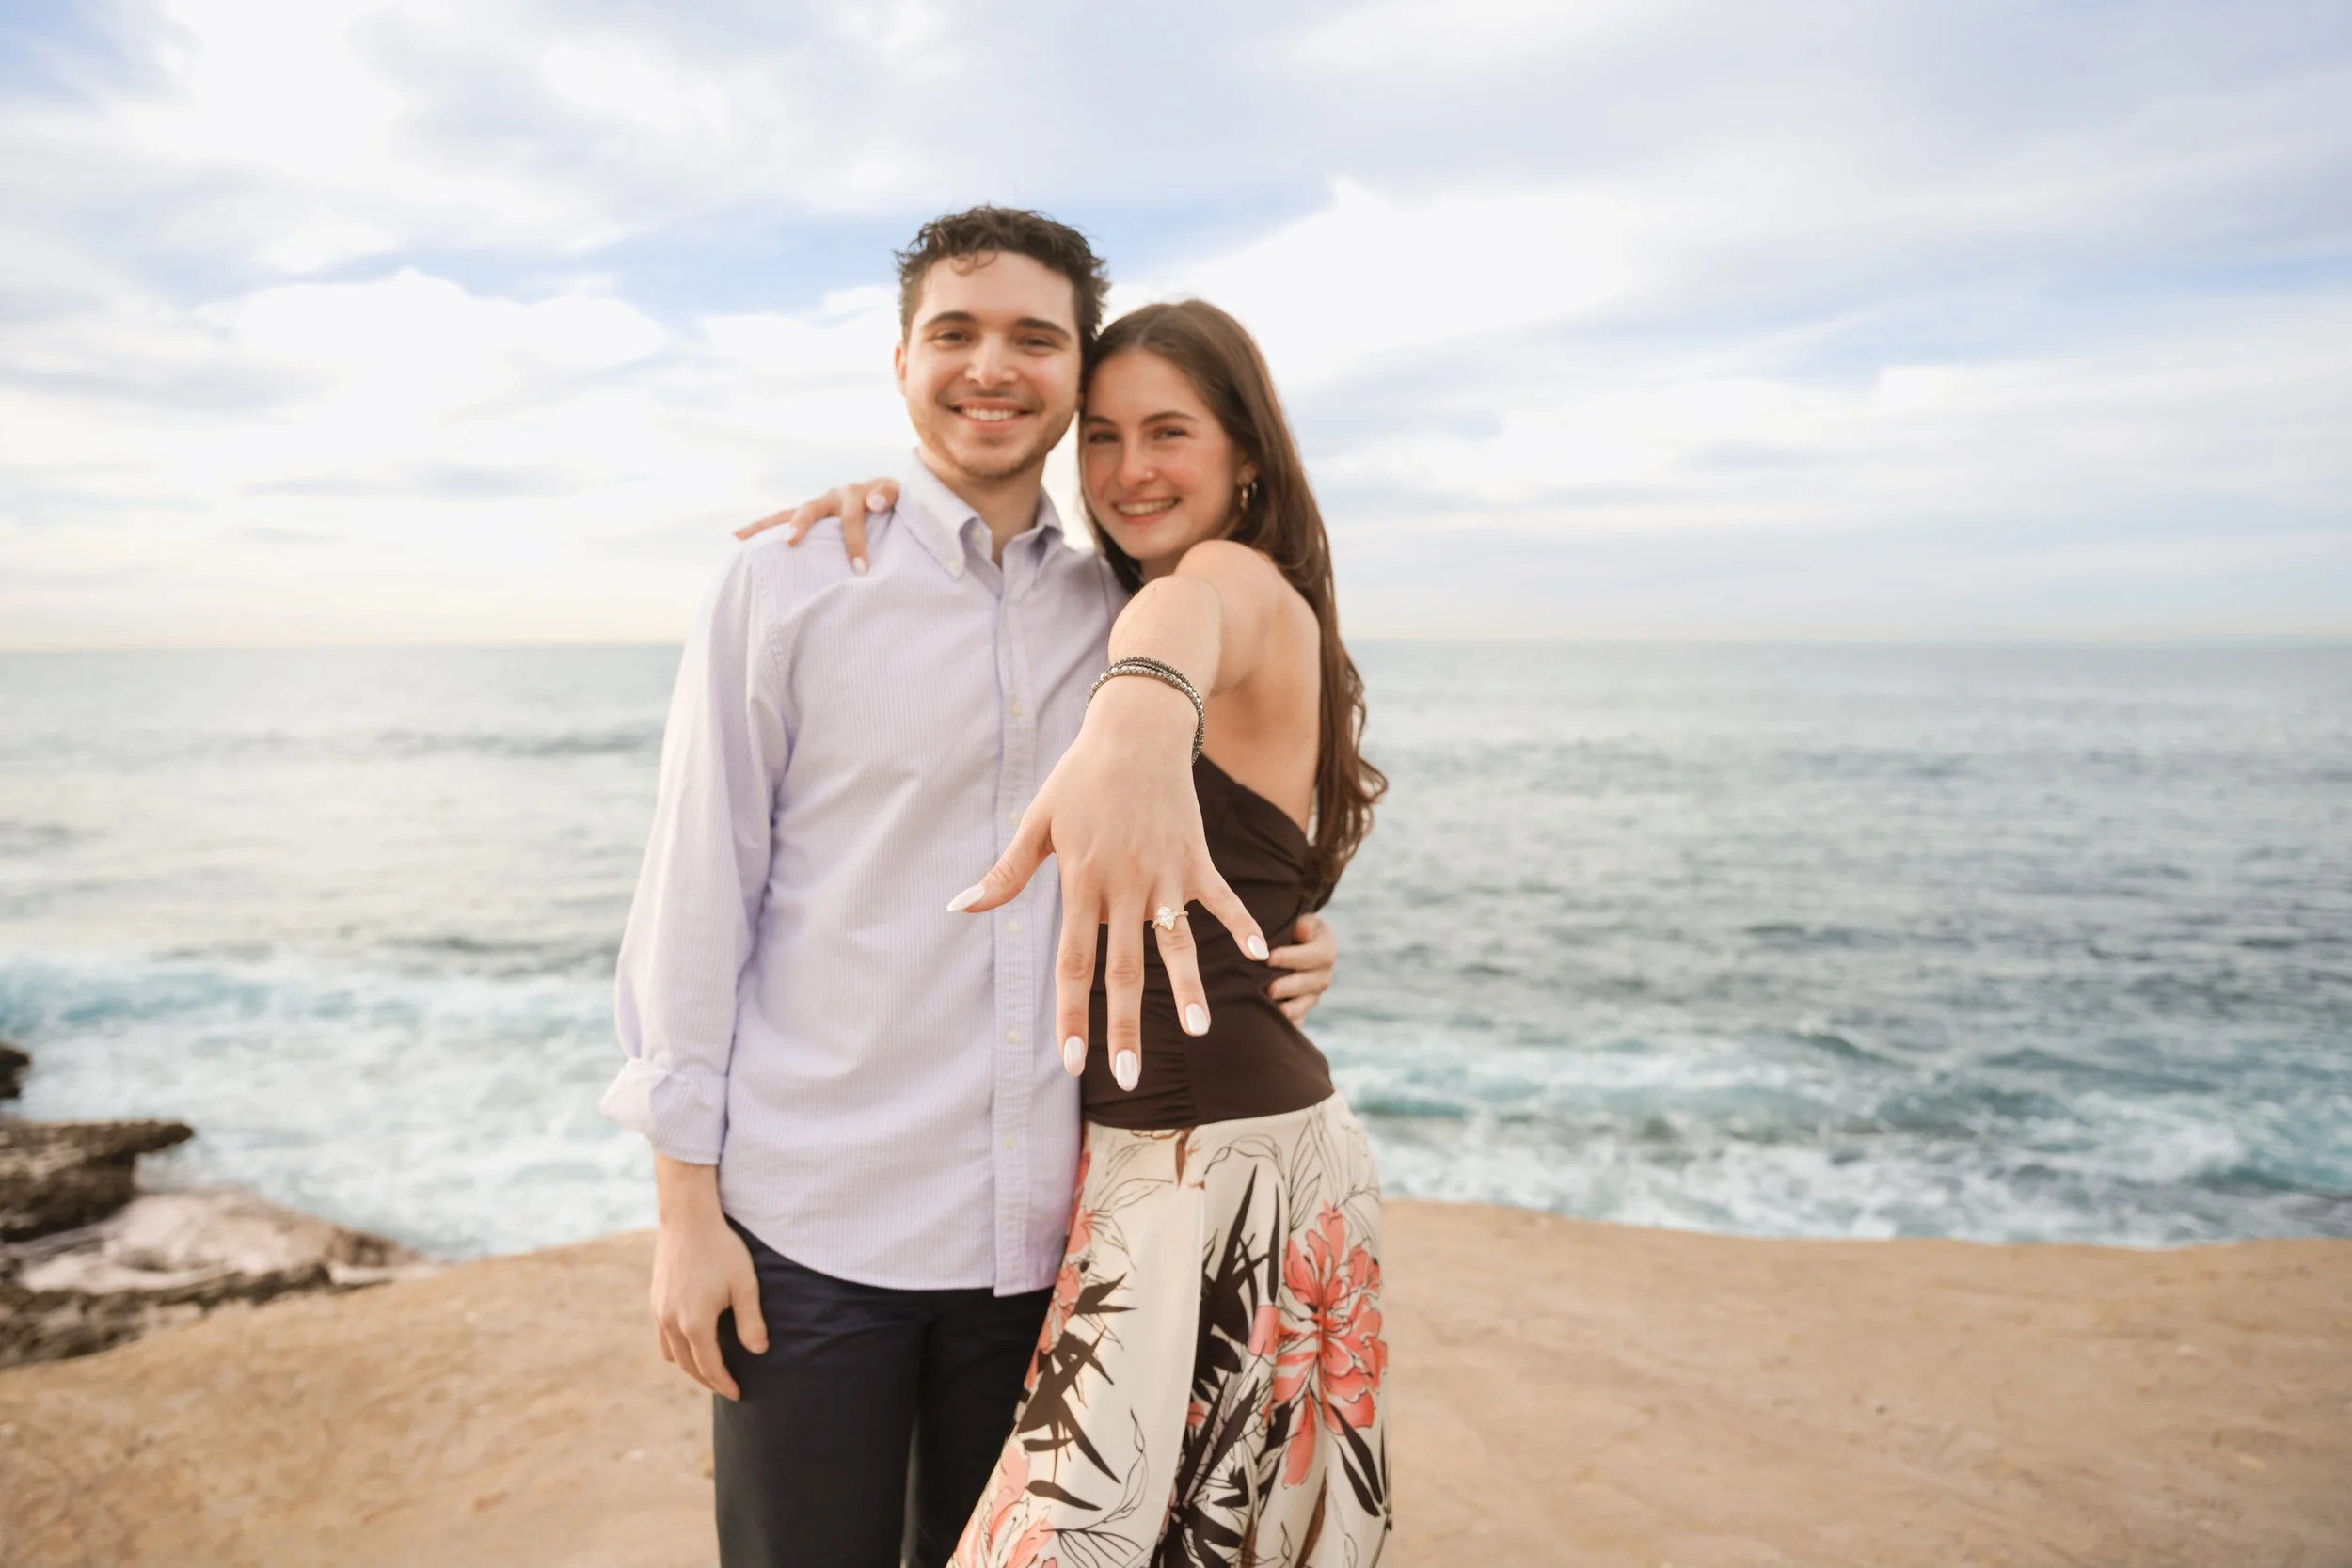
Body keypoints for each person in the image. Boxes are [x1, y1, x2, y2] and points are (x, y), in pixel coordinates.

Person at [601, 207, 1338, 1568]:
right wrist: (682, 1215)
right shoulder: (784, 582)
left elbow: (1225, 804)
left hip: (1046, 1244)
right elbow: (696, 901)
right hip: (814, 1230)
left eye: (1034, 340)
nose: (992, 366)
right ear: (903, 362)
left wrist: (1293, 937)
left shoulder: (1121, 606)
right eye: (956, 332)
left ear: (1072, 375)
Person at [755, 298, 1391, 1566]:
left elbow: (1182, 629)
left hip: (1214, 1170)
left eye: (1169, 431)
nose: (1128, 468)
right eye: (1101, 435)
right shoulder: (1128, 593)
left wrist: (1139, 707)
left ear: (1246, 453)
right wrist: (889, 501)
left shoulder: (1219, 585)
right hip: (1167, 1156)